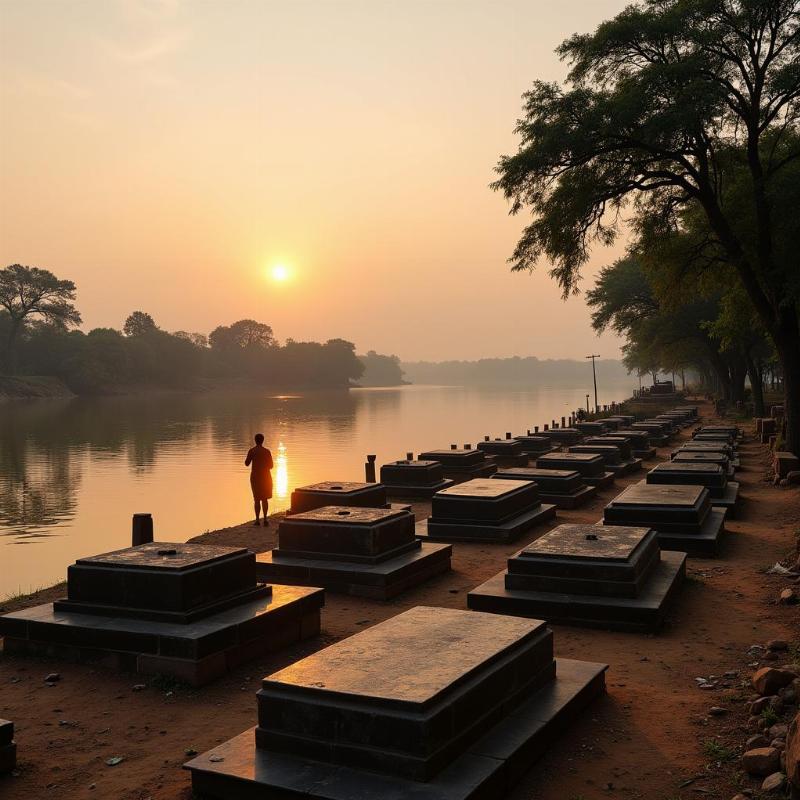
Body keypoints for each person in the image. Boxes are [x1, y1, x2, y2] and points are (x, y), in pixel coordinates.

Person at [245, 433, 273, 526]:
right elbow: (271, 466)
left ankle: (257, 520)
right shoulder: (267, 451)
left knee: (256, 499)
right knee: (265, 499)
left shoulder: (252, 451)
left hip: (255, 477)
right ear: (263, 440)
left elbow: (246, 463)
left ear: (255, 440)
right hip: (266, 477)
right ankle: (265, 519)